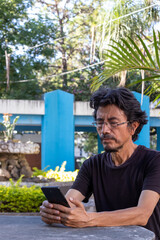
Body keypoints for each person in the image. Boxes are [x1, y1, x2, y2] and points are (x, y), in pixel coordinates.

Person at [40, 87, 160, 240]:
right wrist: (55, 211)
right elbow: (70, 203)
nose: (104, 130)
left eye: (113, 123)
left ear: (133, 126)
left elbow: (142, 214)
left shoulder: (154, 161)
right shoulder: (92, 165)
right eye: (99, 123)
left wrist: (88, 219)